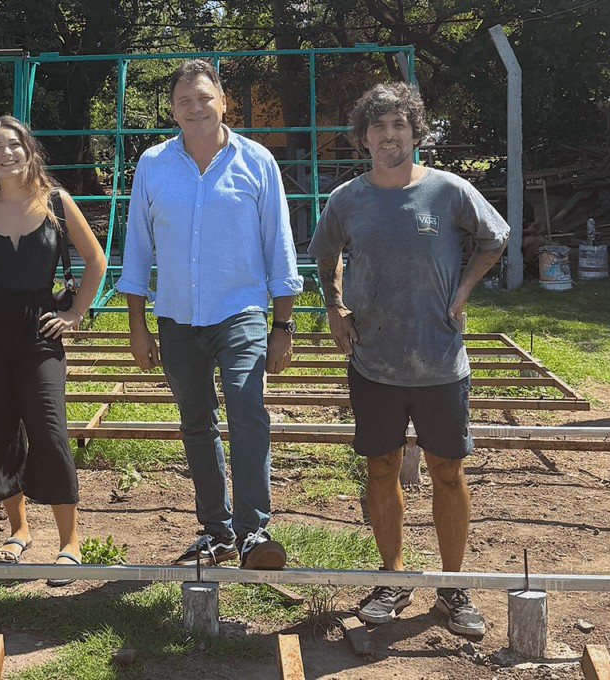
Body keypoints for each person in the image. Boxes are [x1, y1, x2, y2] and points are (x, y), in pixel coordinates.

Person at [307, 82, 509, 637]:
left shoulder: (448, 191)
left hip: (441, 362)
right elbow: (325, 253)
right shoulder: (347, 200)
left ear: (415, 132)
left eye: (399, 125)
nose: (388, 136)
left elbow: (494, 238)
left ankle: (452, 587)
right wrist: (333, 306)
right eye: (378, 127)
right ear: (363, 137)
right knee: (381, 468)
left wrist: (463, 290)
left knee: (448, 471)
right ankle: (392, 576)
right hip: (374, 361)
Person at [117, 59, 303, 570]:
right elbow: (138, 247)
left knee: (247, 412)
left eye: (204, 97)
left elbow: (278, 244)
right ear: (172, 110)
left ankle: (253, 531)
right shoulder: (153, 165)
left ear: (223, 100)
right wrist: (138, 325)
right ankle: (216, 532)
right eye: (184, 100)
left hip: (239, 311)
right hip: (176, 317)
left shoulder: (257, 161)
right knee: (196, 422)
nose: (195, 107)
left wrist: (282, 325)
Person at [0, 115, 106, 585]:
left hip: (42, 331)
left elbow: (96, 259)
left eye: (14, 145)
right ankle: (18, 531)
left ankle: (69, 543)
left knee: (49, 428)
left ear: (29, 151)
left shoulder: (57, 203)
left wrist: (75, 313)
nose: (6, 154)